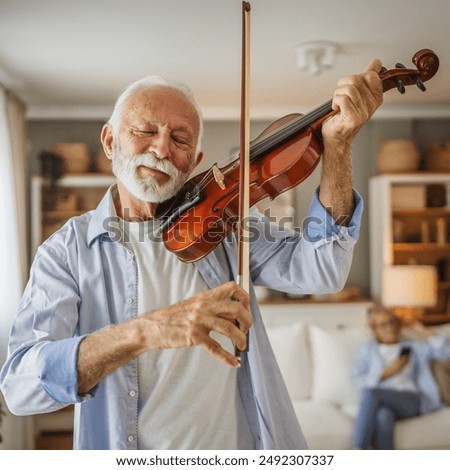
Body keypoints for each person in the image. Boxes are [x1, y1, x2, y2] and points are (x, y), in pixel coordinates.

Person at [1, 62, 383, 450]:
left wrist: (339, 145)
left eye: (180, 140)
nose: (162, 148)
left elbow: (322, 270)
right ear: (110, 141)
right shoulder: (67, 251)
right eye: (145, 130)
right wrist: (145, 330)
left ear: (195, 162)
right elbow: (20, 388)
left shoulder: (226, 224)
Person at [351, 306, 450, 450]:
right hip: (383, 401)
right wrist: (386, 373)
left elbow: (446, 352)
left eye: (392, 322)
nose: (390, 327)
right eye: (383, 325)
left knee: (371, 392)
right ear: (374, 329)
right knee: (383, 416)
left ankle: (358, 449)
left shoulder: (414, 347)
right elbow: (357, 382)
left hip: (412, 400)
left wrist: (421, 329)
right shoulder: (366, 350)